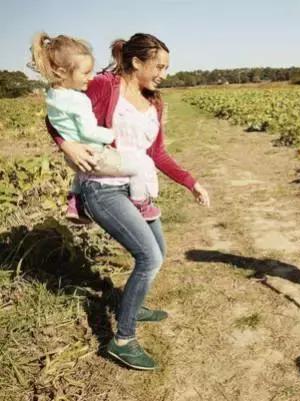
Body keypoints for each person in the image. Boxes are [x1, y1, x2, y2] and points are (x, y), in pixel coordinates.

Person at [45, 33, 210, 370]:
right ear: (136, 62)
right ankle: (122, 340)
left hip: (137, 187)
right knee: (148, 258)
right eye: (159, 66)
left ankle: (132, 302)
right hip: (102, 187)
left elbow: (157, 153)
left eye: (166, 67)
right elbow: (56, 109)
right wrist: (66, 145)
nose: (164, 73)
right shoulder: (105, 85)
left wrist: (190, 182)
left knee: (158, 254)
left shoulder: (155, 101)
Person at [30, 32, 161, 223]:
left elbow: (53, 119)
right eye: (85, 73)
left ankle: (75, 200)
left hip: (75, 160)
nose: (90, 78)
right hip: (94, 156)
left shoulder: (53, 95)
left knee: (85, 169)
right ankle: (140, 205)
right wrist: (111, 135)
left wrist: (67, 146)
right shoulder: (83, 96)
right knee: (140, 166)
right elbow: (88, 131)